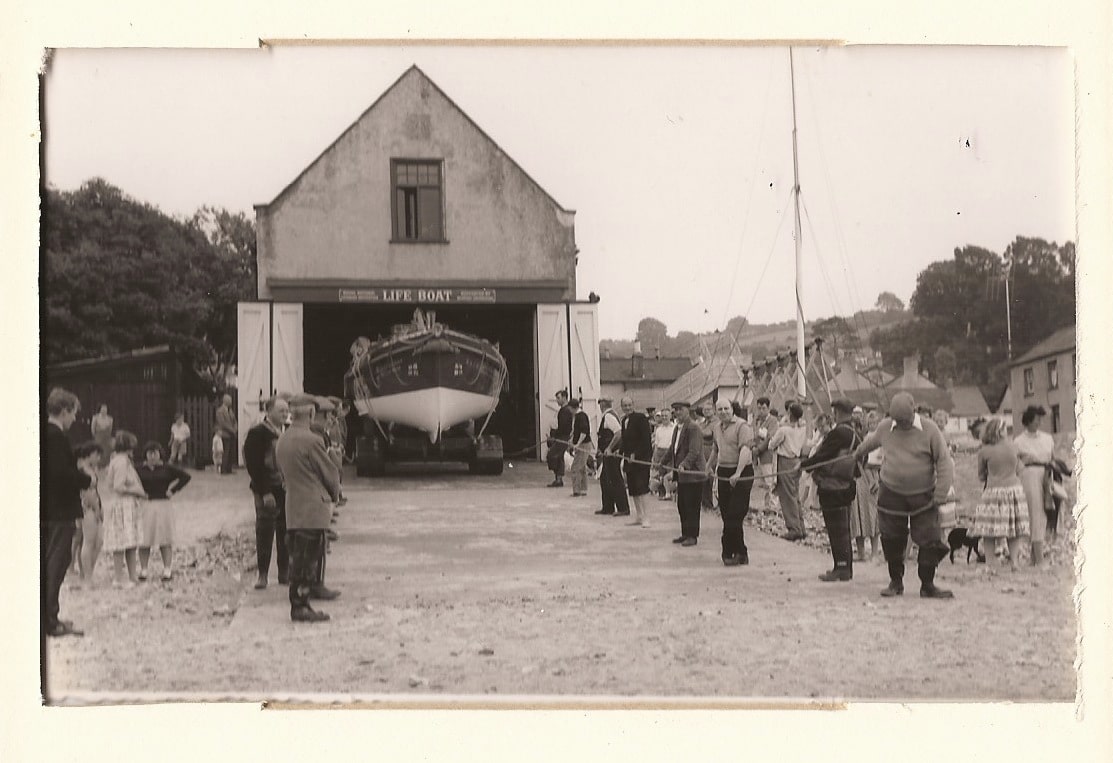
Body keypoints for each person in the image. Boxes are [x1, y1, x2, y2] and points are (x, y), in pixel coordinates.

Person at [854, 392, 956, 599]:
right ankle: (896, 582)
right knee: (892, 538)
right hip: (891, 493)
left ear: (914, 411)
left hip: (924, 496)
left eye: (904, 420)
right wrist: (856, 454)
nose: (901, 425)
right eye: (897, 421)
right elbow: (870, 444)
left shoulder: (930, 430)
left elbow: (944, 462)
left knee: (929, 539)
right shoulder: (885, 427)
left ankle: (927, 584)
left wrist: (940, 493)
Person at [275, 394, 342, 622]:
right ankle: (300, 605)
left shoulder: (283, 440)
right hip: (313, 506)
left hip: (293, 506)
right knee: (308, 557)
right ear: (312, 414)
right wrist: (334, 495)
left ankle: (302, 600)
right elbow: (330, 473)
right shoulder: (312, 441)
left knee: (298, 555)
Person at [42, 388, 92, 637]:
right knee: (56, 563)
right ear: (63, 412)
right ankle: (50, 621)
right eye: (73, 413)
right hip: (60, 511)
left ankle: (50, 616)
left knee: (51, 561)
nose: (74, 419)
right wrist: (86, 480)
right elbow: (62, 475)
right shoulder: (57, 437)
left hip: (49, 509)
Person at [802, 399, 861, 581]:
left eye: (835, 411)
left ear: (839, 412)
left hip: (832, 486)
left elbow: (823, 455)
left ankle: (841, 568)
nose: (833, 414)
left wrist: (804, 465)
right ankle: (844, 566)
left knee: (836, 529)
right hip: (846, 485)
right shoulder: (855, 433)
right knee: (844, 529)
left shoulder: (839, 433)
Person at [243, 395, 290, 590]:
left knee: (285, 531)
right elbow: (253, 466)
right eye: (281, 411)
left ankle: (284, 573)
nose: (285, 414)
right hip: (266, 490)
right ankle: (262, 574)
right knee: (265, 531)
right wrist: (265, 492)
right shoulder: (257, 433)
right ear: (269, 411)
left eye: (287, 411)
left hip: (285, 489)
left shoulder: (285, 431)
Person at [974, 418, 1029, 571]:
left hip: (993, 492)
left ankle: (989, 563)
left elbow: (981, 476)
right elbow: (1020, 469)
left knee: (989, 529)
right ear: (1000, 431)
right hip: (1014, 490)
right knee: (1014, 528)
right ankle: (1014, 562)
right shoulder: (1014, 447)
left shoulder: (984, 451)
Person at [707, 398, 754, 565]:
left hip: (742, 472)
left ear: (732, 409)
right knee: (727, 515)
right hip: (724, 472)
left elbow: (746, 450)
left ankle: (728, 551)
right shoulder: (717, 427)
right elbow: (715, 449)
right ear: (716, 411)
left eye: (726, 408)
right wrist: (708, 466)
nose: (723, 412)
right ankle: (741, 553)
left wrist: (738, 472)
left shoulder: (742, 426)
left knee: (735, 513)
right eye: (720, 409)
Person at [136, 442, 192, 581]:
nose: (153, 456)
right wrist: (138, 493)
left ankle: (167, 569)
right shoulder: (138, 469)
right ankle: (143, 570)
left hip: (163, 504)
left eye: (155, 453)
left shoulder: (167, 468)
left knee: (165, 538)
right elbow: (130, 481)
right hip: (146, 505)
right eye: (150, 453)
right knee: (144, 539)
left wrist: (172, 490)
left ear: (160, 454)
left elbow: (185, 477)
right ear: (145, 455)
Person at [101, 430, 146, 586]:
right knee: (120, 542)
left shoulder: (122, 461)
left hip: (128, 505)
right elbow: (118, 486)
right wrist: (137, 491)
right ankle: (118, 578)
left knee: (131, 541)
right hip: (122, 504)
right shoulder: (120, 462)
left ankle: (132, 576)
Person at [1014, 405, 1056, 567]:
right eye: (1036, 419)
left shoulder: (1047, 438)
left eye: (1040, 419)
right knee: (1035, 512)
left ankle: (1034, 556)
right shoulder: (1019, 441)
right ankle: (1039, 558)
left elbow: (1052, 456)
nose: (1039, 422)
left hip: (1047, 474)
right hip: (1029, 476)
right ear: (1029, 420)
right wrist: (1024, 469)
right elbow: (1015, 463)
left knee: (1048, 511)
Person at [664, 401, 706, 547]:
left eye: (680, 410)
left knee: (692, 506)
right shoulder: (677, 428)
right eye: (675, 410)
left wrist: (684, 464)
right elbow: (673, 448)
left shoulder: (693, 428)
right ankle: (685, 533)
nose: (677, 412)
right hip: (682, 475)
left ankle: (692, 536)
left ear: (687, 411)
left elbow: (694, 451)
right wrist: (662, 462)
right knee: (682, 505)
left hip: (693, 474)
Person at [607, 396, 653, 527]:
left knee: (642, 488)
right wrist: (619, 452)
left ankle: (646, 517)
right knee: (633, 488)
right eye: (625, 406)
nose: (627, 408)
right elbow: (626, 441)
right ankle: (639, 516)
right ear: (621, 407)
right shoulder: (624, 420)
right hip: (629, 460)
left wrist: (636, 454)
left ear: (633, 405)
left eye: (629, 405)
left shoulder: (641, 419)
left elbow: (646, 440)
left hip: (641, 460)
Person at [768, 401, 808, 540]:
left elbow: (771, 445)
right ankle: (800, 527)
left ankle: (793, 528)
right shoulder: (802, 428)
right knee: (795, 495)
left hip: (785, 461)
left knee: (787, 496)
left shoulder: (783, 430)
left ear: (789, 413)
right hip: (797, 461)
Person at [850, 409, 882, 561]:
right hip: (862, 476)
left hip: (876, 476)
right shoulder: (864, 440)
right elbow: (862, 459)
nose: (872, 426)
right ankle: (861, 552)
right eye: (869, 423)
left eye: (874, 423)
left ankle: (875, 552)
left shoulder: (882, 440)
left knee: (873, 514)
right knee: (858, 514)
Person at [74, 441, 105, 584]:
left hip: (94, 505)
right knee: (89, 540)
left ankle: (88, 572)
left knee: (98, 541)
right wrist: (97, 509)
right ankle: (87, 576)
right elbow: (87, 493)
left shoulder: (91, 469)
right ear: (90, 454)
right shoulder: (82, 470)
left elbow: (95, 491)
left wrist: (100, 507)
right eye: (96, 455)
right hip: (86, 507)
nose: (98, 458)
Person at [593, 398, 628, 514]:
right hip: (606, 454)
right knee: (605, 479)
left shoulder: (608, 416)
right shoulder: (609, 415)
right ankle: (608, 507)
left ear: (602, 405)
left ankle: (623, 508)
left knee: (615, 479)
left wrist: (609, 448)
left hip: (612, 454)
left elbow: (618, 433)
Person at [750, 397, 780, 513]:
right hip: (758, 455)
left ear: (768, 408)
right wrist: (753, 447)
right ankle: (766, 505)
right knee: (762, 481)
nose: (761, 411)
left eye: (763, 408)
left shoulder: (772, 421)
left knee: (770, 480)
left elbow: (770, 437)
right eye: (759, 408)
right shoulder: (757, 420)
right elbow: (754, 435)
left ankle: (773, 506)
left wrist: (759, 449)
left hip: (768, 454)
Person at [546, 390, 573, 488]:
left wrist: (554, 434)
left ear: (565, 398)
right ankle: (559, 479)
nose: (557, 400)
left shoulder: (565, 411)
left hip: (562, 437)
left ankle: (558, 478)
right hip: (563, 436)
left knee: (552, 455)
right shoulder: (565, 410)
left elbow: (564, 427)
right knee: (559, 457)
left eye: (558, 398)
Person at [567, 398, 592, 498]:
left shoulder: (581, 417)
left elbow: (583, 432)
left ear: (573, 408)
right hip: (583, 444)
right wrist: (572, 439)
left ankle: (577, 490)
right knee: (582, 467)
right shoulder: (578, 416)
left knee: (576, 467)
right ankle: (583, 489)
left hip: (583, 444)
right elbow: (577, 431)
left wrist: (577, 444)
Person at [651, 410, 677, 500]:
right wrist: (655, 457)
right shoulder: (658, 429)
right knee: (660, 473)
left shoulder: (675, 428)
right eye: (662, 416)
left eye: (666, 416)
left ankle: (670, 492)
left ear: (670, 416)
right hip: (660, 452)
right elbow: (657, 445)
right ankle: (662, 493)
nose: (664, 418)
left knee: (670, 474)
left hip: (670, 452)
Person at [697, 400, 717, 510]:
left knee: (711, 479)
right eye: (704, 410)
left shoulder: (716, 423)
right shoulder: (702, 423)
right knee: (703, 478)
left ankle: (711, 503)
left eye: (709, 410)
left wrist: (700, 432)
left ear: (713, 410)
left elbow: (709, 434)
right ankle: (705, 502)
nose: (706, 412)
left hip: (712, 452)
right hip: (702, 453)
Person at [215, 393, 237, 474]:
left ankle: (229, 469)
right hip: (225, 434)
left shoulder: (230, 410)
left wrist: (235, 428)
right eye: (229, 400)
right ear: (225, 400)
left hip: (232, 434)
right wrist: (232, 430)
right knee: (226, 452)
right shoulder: (219, 411)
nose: (231, 401)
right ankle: (223, 470)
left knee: (231, 452)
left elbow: (234, 421)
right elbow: (222, 423)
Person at [91, 403, 114, 468]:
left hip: (107, 436)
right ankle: (98, 465)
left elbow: (110, 429)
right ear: (100, 410)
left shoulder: (110, 419)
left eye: (105, 409)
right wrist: (96, 436)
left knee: (107, 450)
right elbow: (93, 428)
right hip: (98, 436)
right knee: (98, 450)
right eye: (103, 409)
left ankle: (107, 465)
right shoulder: (95, 417)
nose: (104, 411)